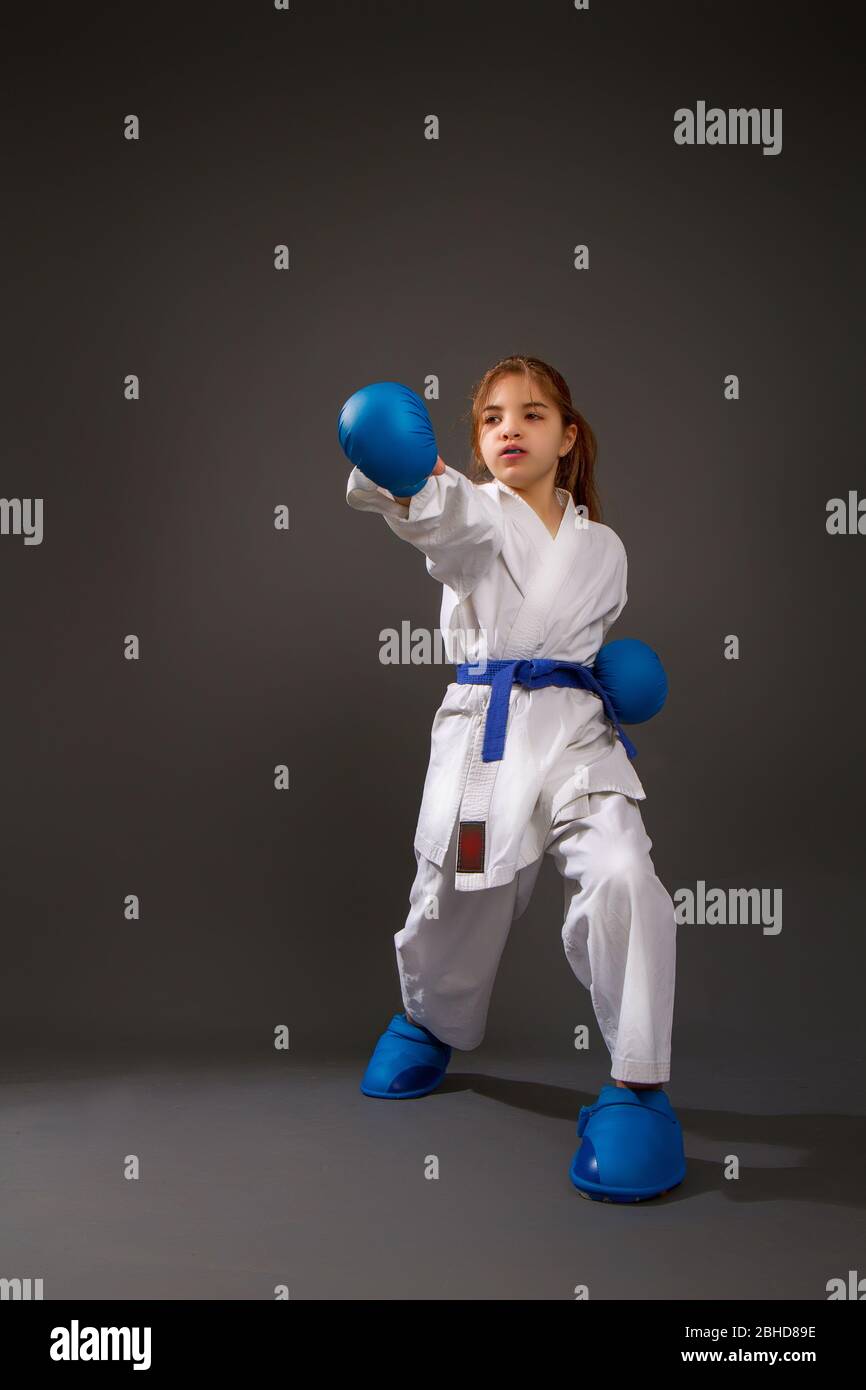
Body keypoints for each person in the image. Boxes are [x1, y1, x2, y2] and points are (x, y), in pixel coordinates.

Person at [345, 354, 686, 1202]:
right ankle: (431, 1019)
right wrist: (411, 475)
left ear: (568, 439)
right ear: (473, 443)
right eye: (493, 417)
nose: (510, 428)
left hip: (577, 738)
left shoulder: (603, 547)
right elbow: (440, 517)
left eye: (533, 415)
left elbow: (580, 632)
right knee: (460, 892)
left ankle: (639, 1085)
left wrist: (610, 675)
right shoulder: (477, 515)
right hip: (489, 738)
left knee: (623, 872)